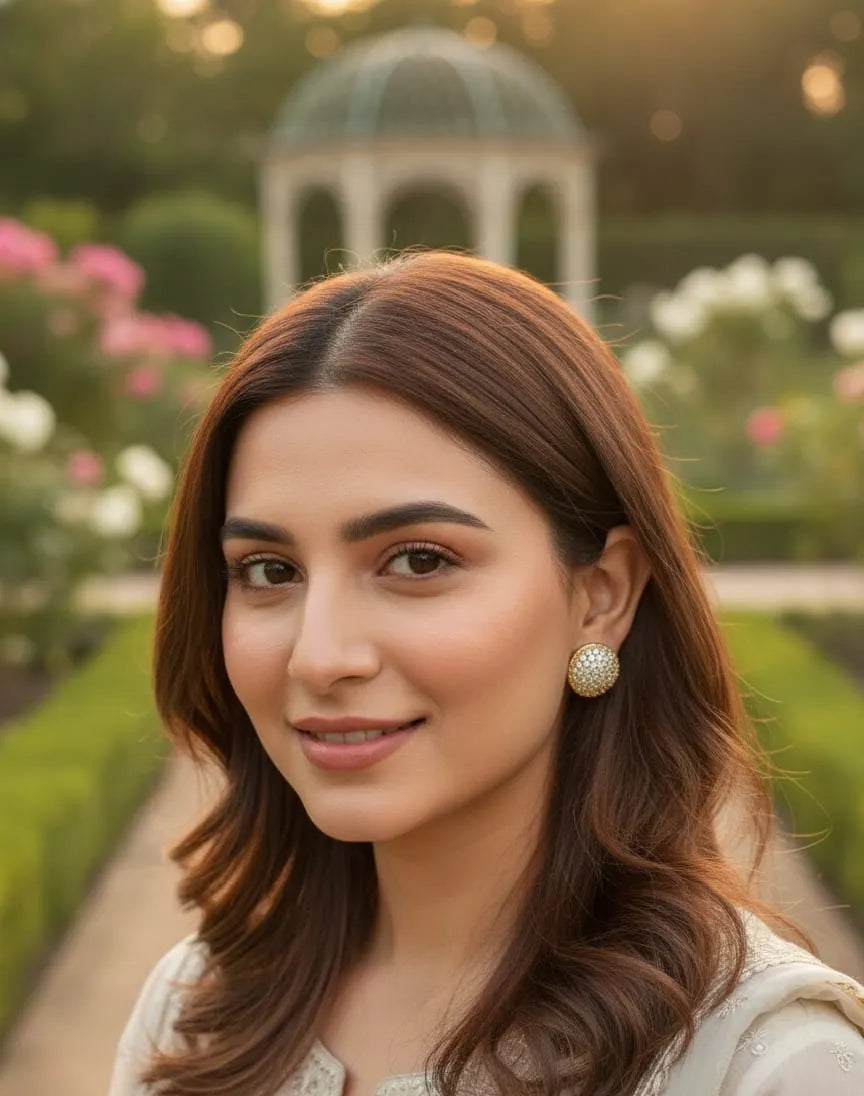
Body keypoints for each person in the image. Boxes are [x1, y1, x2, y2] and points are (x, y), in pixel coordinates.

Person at [108, 251, 864, 1096]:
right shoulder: (194, 1018)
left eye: (419, 560)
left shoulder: (765, 1065)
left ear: (601, 595)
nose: (319, 656)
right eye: (269, 571)